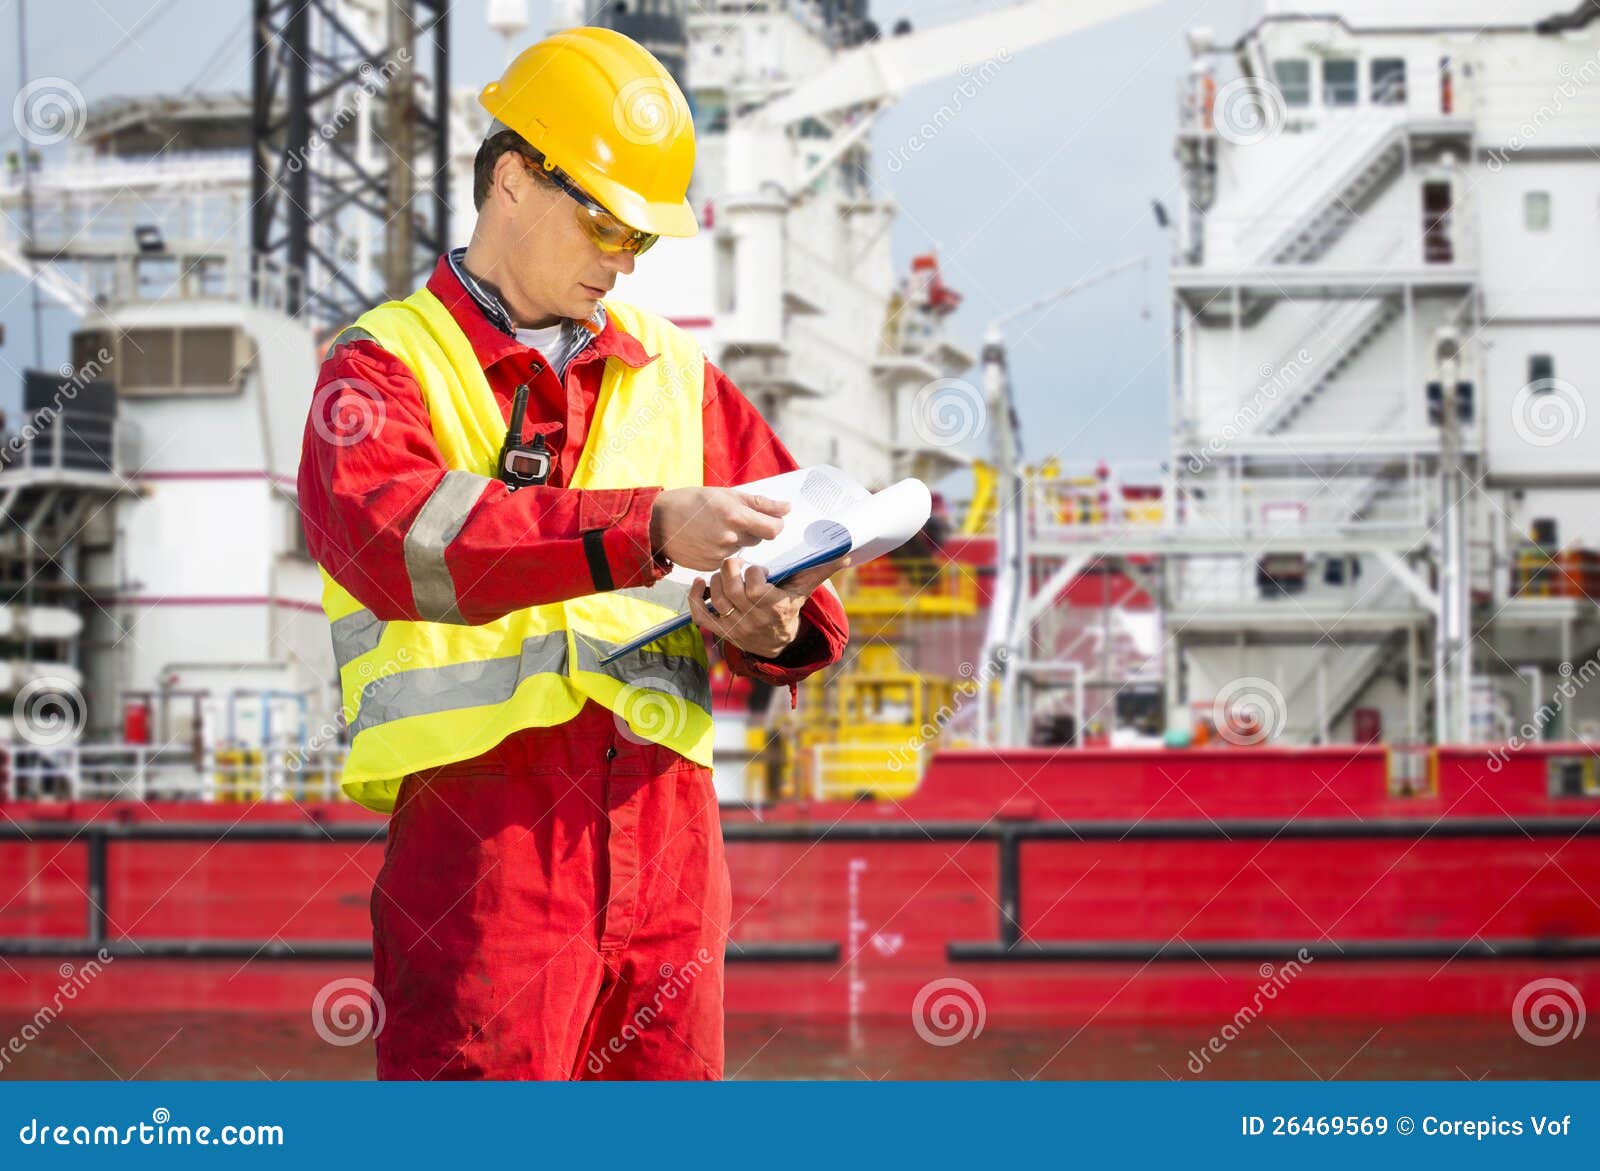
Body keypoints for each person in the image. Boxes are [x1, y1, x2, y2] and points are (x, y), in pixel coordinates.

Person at [296, 26, 850, 1081]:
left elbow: (807, 581)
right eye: (605, 224)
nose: (622, 260)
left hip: (670, 849)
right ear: (512, 180)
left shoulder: (676, 374)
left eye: (642, 241)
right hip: (485, 851)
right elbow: (394, 538)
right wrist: (643, 529)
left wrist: (775, 623)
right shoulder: (379, 368)